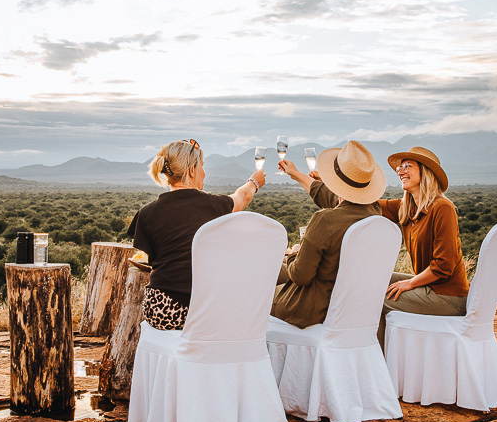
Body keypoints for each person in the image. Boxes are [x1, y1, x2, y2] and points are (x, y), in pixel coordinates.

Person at [127, 139, 266, 331]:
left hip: (159, 310)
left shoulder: (146, 212)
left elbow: (153, 261)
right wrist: (254, 182)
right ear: (191, 170)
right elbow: (243, 197)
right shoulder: (213, 205)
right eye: (202, 165)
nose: (204, 171)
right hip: (202, 310)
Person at [271, 140, 385, 328]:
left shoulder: (325, 220)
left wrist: (293, 254)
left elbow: (301, 276)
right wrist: (298, 175)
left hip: (312, 310)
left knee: (263, 291)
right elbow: (331, 197)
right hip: (350, 307)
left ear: (334, 180)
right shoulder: (374, 214)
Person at [376, 146, 468, 348]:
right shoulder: (406, 207)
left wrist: (411, 283)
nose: (400, 171)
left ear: (425, 171)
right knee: (376, 279)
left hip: (448, 296)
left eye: (407, 166)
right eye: (400, 167)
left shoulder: (442, 207)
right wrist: (331, 183)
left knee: (376, 299)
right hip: (430, 287)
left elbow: (444, 266)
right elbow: (364, 203)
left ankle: (380, 359)